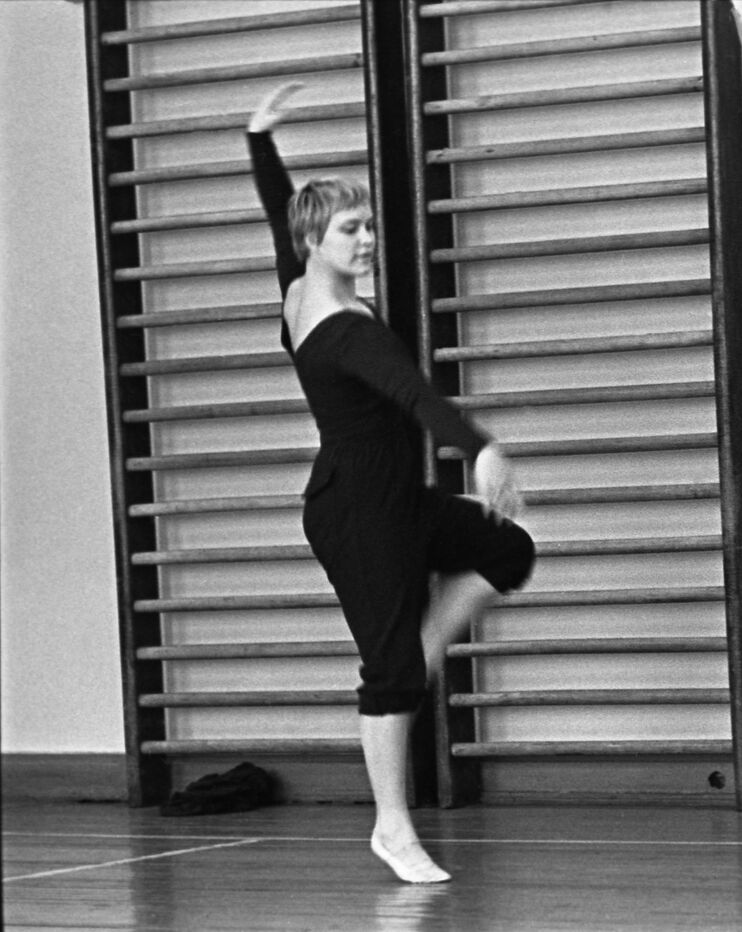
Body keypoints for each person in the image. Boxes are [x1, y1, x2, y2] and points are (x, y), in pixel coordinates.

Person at [246, 83, 535, 883]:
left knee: (506, 549)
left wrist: (259, 140)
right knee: (391, 674)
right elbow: (415, 395)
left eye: (369, 224)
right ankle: (392, 827)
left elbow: (281, 218)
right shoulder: (338, 326)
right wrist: (480, 448)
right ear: (318, 239)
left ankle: (418, 652)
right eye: (352, 228)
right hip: (356, 513)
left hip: (394, 500)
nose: (368, 238)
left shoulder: (300, 288)